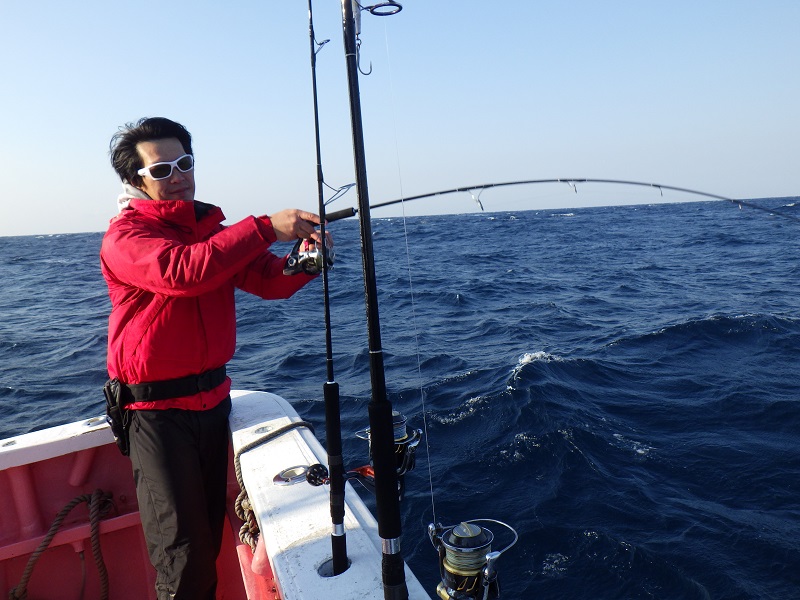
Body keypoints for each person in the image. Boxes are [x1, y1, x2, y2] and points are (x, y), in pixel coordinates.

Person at [101, 116, 328, 599]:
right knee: (183, 558)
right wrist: (264, 227)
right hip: (156, 415)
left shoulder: (209, 231)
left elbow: (267, 280)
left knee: (206, 538)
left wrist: (307, 260)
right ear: (135, 180)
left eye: (184, 163)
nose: (178, 176)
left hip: (212, 406)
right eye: (161, 169)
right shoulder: (126, 237)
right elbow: (181, 272)